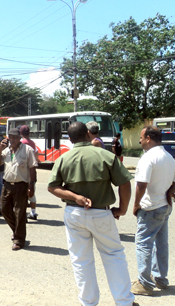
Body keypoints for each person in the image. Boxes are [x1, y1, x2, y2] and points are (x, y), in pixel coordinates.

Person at [47, 122, 136, 306]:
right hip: (101, 214)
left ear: (70, 139)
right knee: (113, 255)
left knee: (81, 259)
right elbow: (125, 183)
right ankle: (124, 301)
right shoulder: (105, 155)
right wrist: (122, 209)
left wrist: (75, 196)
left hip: (74, 213)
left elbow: (52, 187)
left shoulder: (64, 158)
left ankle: (88, 302)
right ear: (89, 134)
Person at [131, 126, 175, 296]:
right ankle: (160, 278)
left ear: (149, 138)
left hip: (150, 207)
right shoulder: (168, 157)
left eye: (141, 137)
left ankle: (144, 284)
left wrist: (136, 204)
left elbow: (142, 184)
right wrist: (168, 193)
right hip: (164, 207)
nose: (140, 140)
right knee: (161, 243)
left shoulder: (148, 158)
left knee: (143, 243)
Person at [0, 128, 37, 250]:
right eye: (10, 137)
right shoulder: (6, 151)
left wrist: (31, 185)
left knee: (20, 213)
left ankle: (19, 240)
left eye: (15, 137)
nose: (12, 140)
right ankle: (17, 230)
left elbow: (33, 168)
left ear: (20, 138)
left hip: (21, 186)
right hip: (7, 185)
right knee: (4, 209)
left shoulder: (27, 150)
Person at [19, 125, 40, 220]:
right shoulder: (33, 143)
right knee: (32, 192)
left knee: (22, 194)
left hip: (23, 171)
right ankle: (33, 212)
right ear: (29, 133)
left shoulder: (20, 143)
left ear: (20, 133)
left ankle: (22, 214)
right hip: (32, 171)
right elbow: (36, 155)